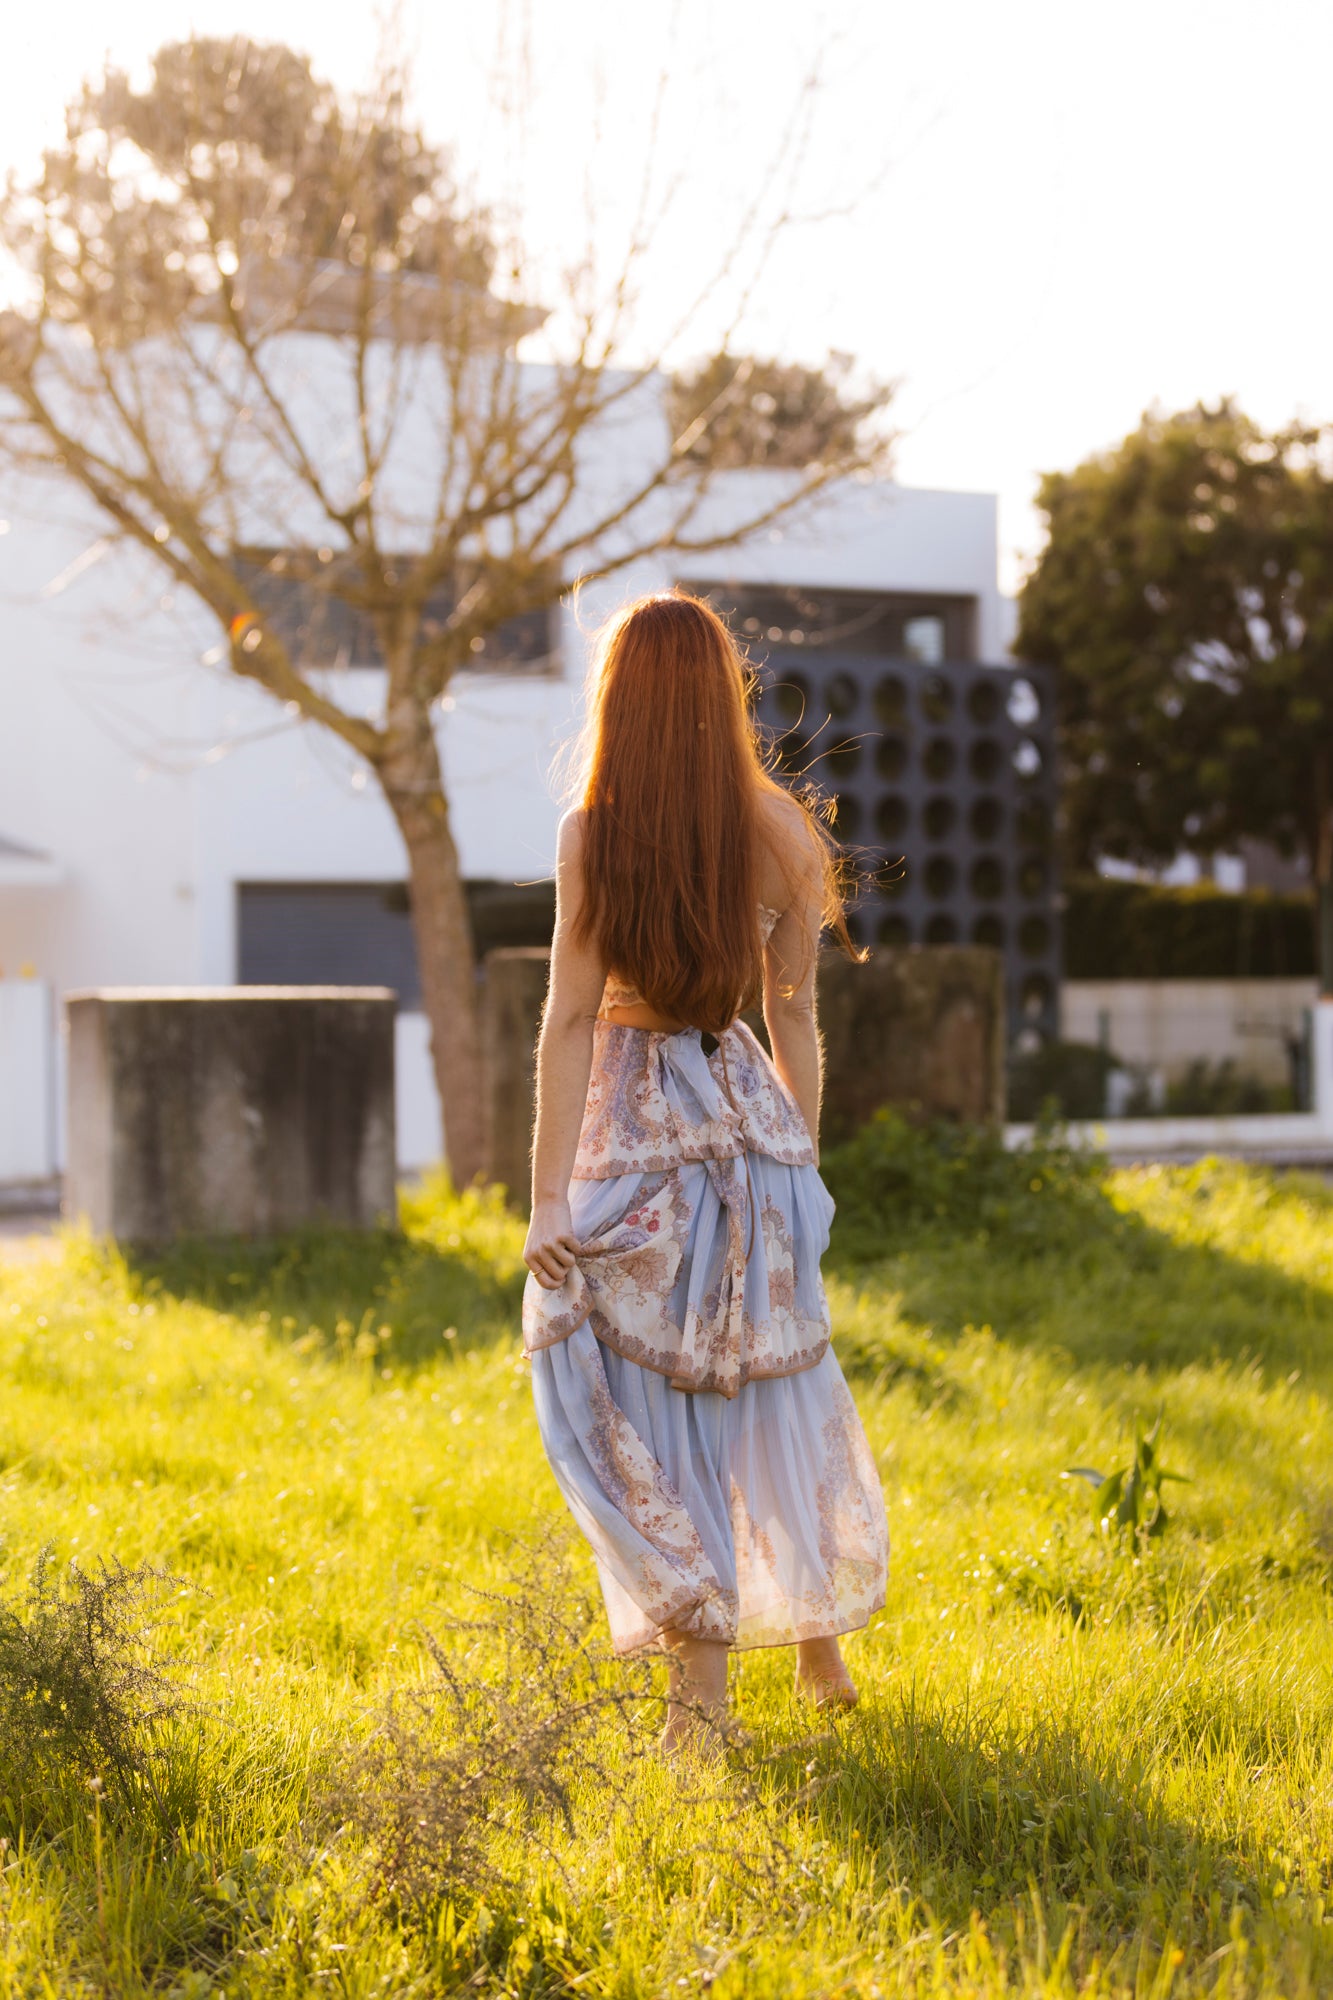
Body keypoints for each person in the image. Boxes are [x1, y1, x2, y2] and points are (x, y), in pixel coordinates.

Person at [522, 590, 888, 1748]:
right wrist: (799, 1168)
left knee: (640, 1388)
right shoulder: (780, 829)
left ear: (617, 698)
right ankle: (816, 1651)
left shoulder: (594, 833)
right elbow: (795, 1016)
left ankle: (703, 1695)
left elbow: (569, 1023)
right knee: (768, 1380)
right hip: (752, 1128)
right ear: (723, 694)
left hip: (638, 1126)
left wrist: (542, 1197)